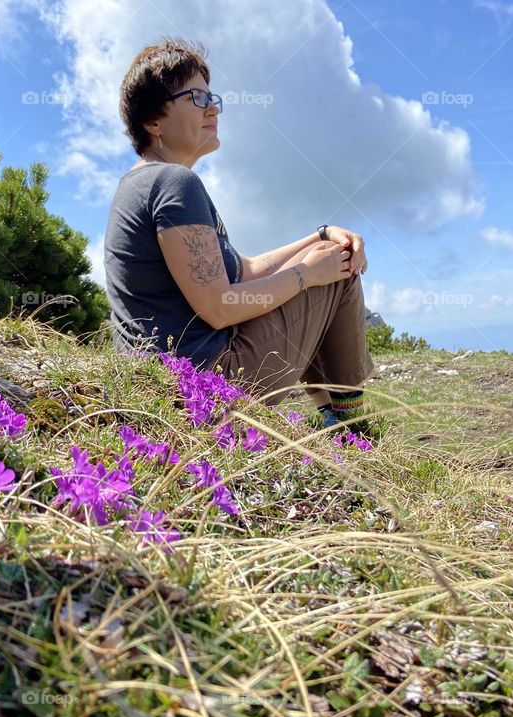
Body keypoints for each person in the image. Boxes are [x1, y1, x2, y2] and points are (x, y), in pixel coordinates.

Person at [104, 37, 374, 427]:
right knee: (340, 271)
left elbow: (245, 270)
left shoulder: (143, 184)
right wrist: (310, 274)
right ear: (153, 121)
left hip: (157, 385)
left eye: (212, 97)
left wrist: (320, 236)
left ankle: (333, 419)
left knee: (329, 255)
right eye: (195, 97)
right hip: (206, 386)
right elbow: (218, 308)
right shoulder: (174, 182)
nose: (212, 107)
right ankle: (348, 426)